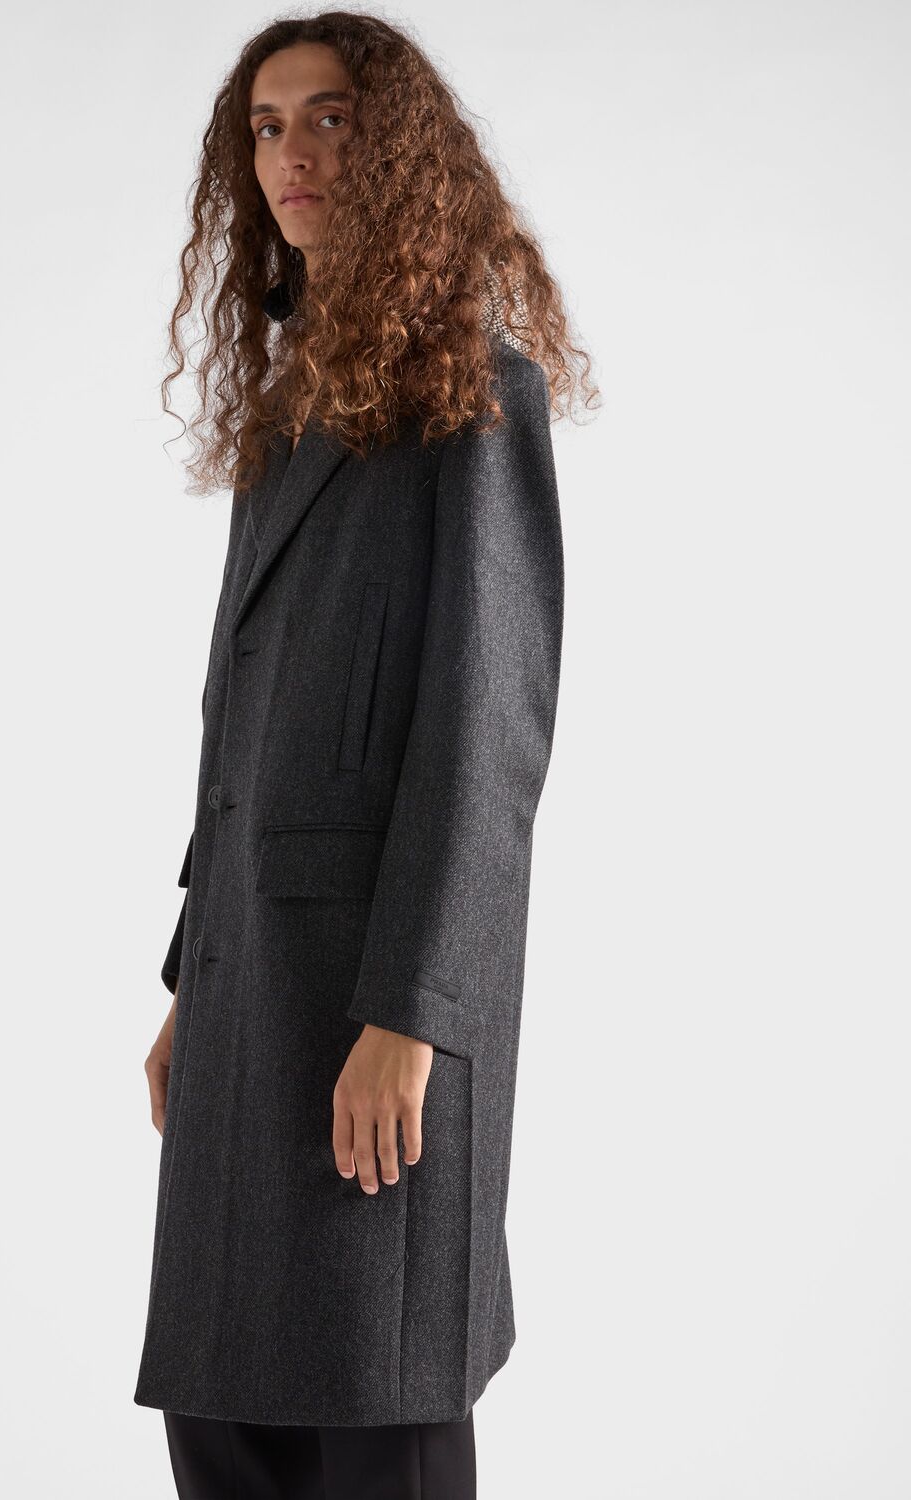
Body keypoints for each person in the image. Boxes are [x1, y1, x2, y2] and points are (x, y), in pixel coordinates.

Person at [135, 13, 597, 1498]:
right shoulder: (287, 405)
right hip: (249, 992)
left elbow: (489, 734)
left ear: (397, 147)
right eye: (267, 128)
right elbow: (242, 723)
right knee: (225, 1419)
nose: (294, 155)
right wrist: (192, 979)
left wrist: (414, 1011)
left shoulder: (475, 393)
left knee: (375, 1403)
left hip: (374, 999)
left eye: (331, 119)